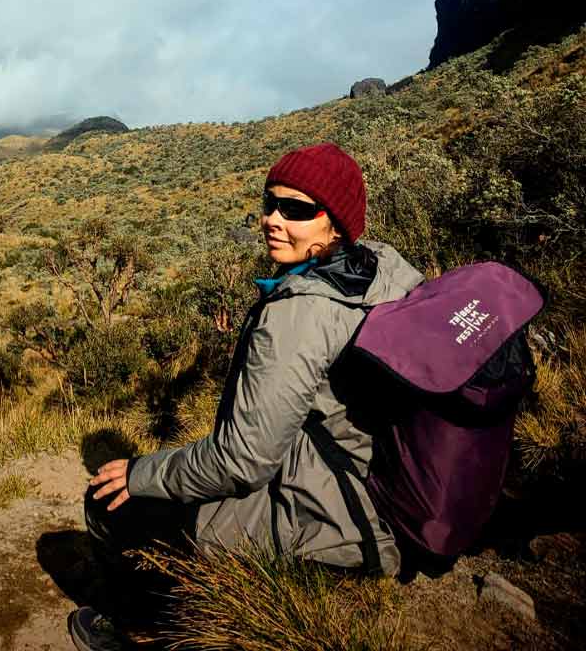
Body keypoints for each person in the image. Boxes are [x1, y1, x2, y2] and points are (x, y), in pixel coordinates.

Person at [68, 142, 424, 651]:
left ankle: (143, 629)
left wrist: (141, 473)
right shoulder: (385, 274)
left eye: (297, 210)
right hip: (368, 484)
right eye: (270, 203)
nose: (273, 220)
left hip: (326, 520)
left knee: (109, 504)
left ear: (336, 224)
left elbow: (243, 460)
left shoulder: (299, 313)